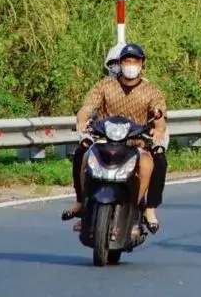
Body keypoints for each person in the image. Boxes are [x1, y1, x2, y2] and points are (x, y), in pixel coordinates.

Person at [62, 43, 168, 234]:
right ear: (120, 63)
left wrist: (158, 129)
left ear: (142, 64)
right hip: (104, 140)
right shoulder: (105, 85)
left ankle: (146, 209)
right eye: (127, 60)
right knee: (82, 153)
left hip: (135, 143)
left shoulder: (152, 90)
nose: (131, 65)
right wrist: (82, 120)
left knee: (155, 161)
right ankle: (82, 203)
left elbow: (159, 114)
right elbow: (87, 106)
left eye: (135, 61)